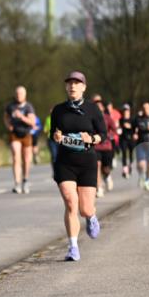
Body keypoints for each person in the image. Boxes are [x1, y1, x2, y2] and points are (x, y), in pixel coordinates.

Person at [49, 71, 106, 261]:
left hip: (87, 161)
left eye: (77, 83)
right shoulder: (58, 110)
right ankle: (73, 247)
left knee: (85, 209)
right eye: (69, 83)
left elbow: (103, 134)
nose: (72, 86)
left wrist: (92, 139)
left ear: (83, 87)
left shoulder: (92, 109)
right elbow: (53, 134)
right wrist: (56, 137)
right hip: (65, 162)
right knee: (70, 203)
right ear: (66, 87)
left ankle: (91, 217)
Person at [4, 85, 37, 194]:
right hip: (15, 134)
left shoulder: (28, 107)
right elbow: (5, 117)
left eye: (21, 94)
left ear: (25, 95)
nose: (19, 96)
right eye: (17, 94)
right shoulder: (10, 106)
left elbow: (32, 122)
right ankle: (17, 183)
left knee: (27, 159)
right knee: (16, 156)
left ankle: (25, 180)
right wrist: (8, 125)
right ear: (15, 94)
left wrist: (22, 117)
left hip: (26, 133)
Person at [94, 98, 119, 197]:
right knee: (96, 166)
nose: (98, 108)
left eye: (100, 106)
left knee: (106, 169)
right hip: (95, 146)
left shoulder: (107, 118)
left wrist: (108, 135)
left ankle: (107, 176)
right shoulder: (91, 118)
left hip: (106, 146)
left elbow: (114, 129)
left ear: (103, 108)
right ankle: (99, 188)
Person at [118, 104, 136, 178]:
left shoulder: (132, 120)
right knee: (124, 153)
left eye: (127, 111)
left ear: (129, 111)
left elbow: (135, 128)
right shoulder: (121, 120)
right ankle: (125, 170)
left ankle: (130, 166)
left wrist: (130, 127)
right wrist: (119, 129)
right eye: (124, 111)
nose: (126, 112)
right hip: (123, 139)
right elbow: (119, 128)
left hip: (131, 139)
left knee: (131, 153)